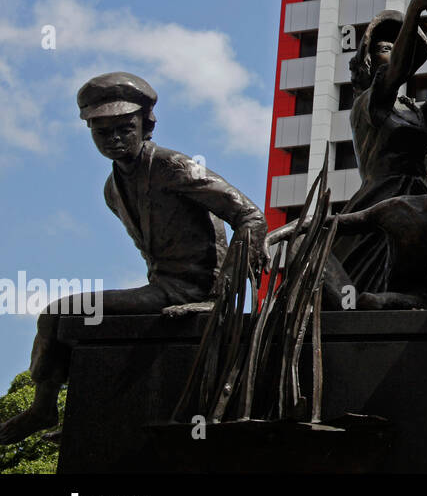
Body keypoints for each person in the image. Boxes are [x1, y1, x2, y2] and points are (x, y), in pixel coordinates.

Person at [0, 73, 267, 445]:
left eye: (125, 127)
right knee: (67, 320)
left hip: (192, 291)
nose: (114, 139)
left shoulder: (174, 167)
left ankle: (45, 408)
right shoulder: (113, 190)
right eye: (102, 132)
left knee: (58, 312)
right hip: (160, 290)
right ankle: (84, 410)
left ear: (147, 124)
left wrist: (227, 284)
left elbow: (251, 216)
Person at [332, 0, 427, 293]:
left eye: (397, 46)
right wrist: (417, 8)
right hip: (384, 201)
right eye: (384, 47)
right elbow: (396, 71)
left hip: (425, 199)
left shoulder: (414, 110)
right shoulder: (368, 102)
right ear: (367, 60)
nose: (393, 52)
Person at [330, 124, 427, 309]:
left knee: (371, 301)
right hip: (390, 296)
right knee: (305, 242)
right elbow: (340, 224)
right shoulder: (398, 207)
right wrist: (294, 229)